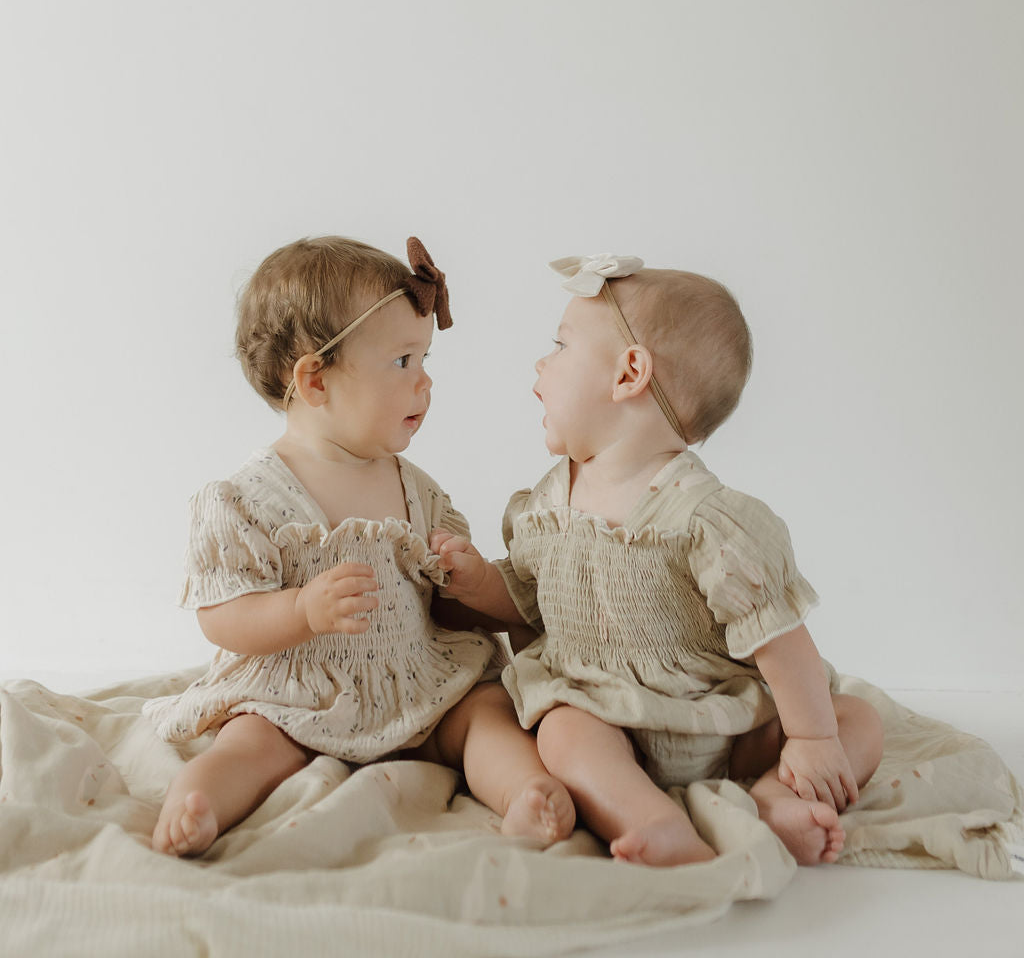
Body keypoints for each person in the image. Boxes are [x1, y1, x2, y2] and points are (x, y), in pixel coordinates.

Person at [432, 253, 884, 869]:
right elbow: (535, 605)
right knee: (562, 731)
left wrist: (811, 737)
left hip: (724, 712)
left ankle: (781, 796)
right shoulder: (546, 504)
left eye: (560, 346)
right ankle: (650, 816)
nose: (541, 363)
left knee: (856, 719)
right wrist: (481, 582)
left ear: (629, 374)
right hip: (602, 712)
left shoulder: (705, 519)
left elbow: (780, 639)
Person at [146, 235, 575, 856]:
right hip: (299, 691)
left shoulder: (417, 490)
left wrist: (466, 578)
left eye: (425, 360)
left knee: (483, 712)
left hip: (419, 681)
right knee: (250, 741)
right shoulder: (247, 500)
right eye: (403, 361)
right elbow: (222, 616)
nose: (425, 383)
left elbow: (445, 609)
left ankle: (525, 792)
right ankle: (198, 801)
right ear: (314, 381)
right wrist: (300, 612)